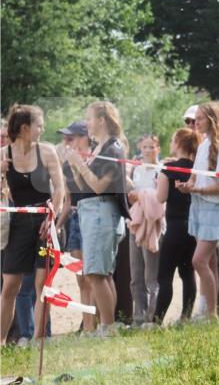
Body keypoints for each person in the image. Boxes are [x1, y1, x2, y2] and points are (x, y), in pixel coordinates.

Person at [0, 105, 66, 343]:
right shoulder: (3, 154)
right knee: (9, 287)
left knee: (41, 283)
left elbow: (59, 188)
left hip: (45, 222)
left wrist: (52, 217)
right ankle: (1, 342)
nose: (43, 129)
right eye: (39, 125)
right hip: (17, 225)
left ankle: (39, 339)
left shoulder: (47, 151)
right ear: (25, 128)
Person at [65, 101, 129, 337]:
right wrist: (74, 166)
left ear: (102, 120)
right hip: (91, 211)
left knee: (95, 273)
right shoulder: (100, 147)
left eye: (89, 118)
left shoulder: (113, 148)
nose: (87, 122)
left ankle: (107, 326)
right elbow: (84, 187)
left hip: (103, 213)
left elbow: (99, 186)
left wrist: (79, 164)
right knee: (101, 273)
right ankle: (107, 325)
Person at [177, 101, 219, 322]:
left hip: (215, 208)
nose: (196, 122)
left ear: (211, 119)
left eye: (200, 118)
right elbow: (195, 175)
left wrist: (198, 188)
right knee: (208, 262)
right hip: (200, 206)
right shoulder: (203, 145)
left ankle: (211, 313)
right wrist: (187, 185)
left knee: (198, 260)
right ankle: (209, 311)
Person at [153, 128, 199, 324]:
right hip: (193, 227)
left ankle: (157, 320)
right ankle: (186, 316)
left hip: (174, 228)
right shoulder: (198, 168)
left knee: (165, 276)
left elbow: (161, 198)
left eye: (173, 139)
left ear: (179, 143)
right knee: (188, 273)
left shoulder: (168, 170)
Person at [55, 120, 94, 332]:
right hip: (75, 219)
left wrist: (77, 164)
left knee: (92, 276)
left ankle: (93, 325)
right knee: (80, 278)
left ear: (83, 138)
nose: (66, 142)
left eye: (70, 138)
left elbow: (89, 187)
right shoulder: (67, 163)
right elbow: (69, 199)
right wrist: (58, 225)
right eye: (65, 138)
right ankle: (87, 325)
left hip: (92, 217)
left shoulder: (93, 158)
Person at [128, 134, 162, 324]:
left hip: (153, 224)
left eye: (152, 147)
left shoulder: (162, 169)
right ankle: (138, 316)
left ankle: (152, 316)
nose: (148, 151)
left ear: (158, 148)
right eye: (145, 147)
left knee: (151, 274)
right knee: (136, 273)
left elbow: (158, 198)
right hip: (136, 222)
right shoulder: (137, 170)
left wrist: (142, 195)